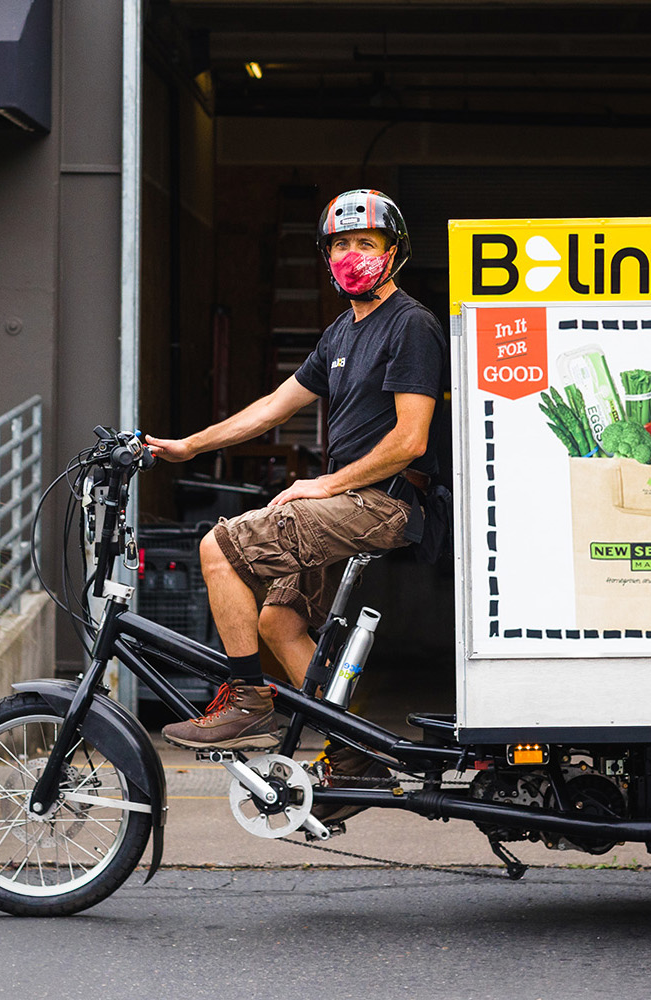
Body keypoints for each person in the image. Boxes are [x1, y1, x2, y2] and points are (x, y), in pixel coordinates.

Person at [144, 189, 444, 820]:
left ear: (394, 254)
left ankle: (249, 698)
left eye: (366, 243)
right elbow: (271, 407)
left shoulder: (411, 325)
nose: (351, 255)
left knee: (218, 547)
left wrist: (326, 485)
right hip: (348, 502)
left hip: (382, 503)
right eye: (340, 245)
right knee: (278, 623)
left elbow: (410, 438)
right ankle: (353, 753)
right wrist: (187, 446)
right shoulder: (339, 332)